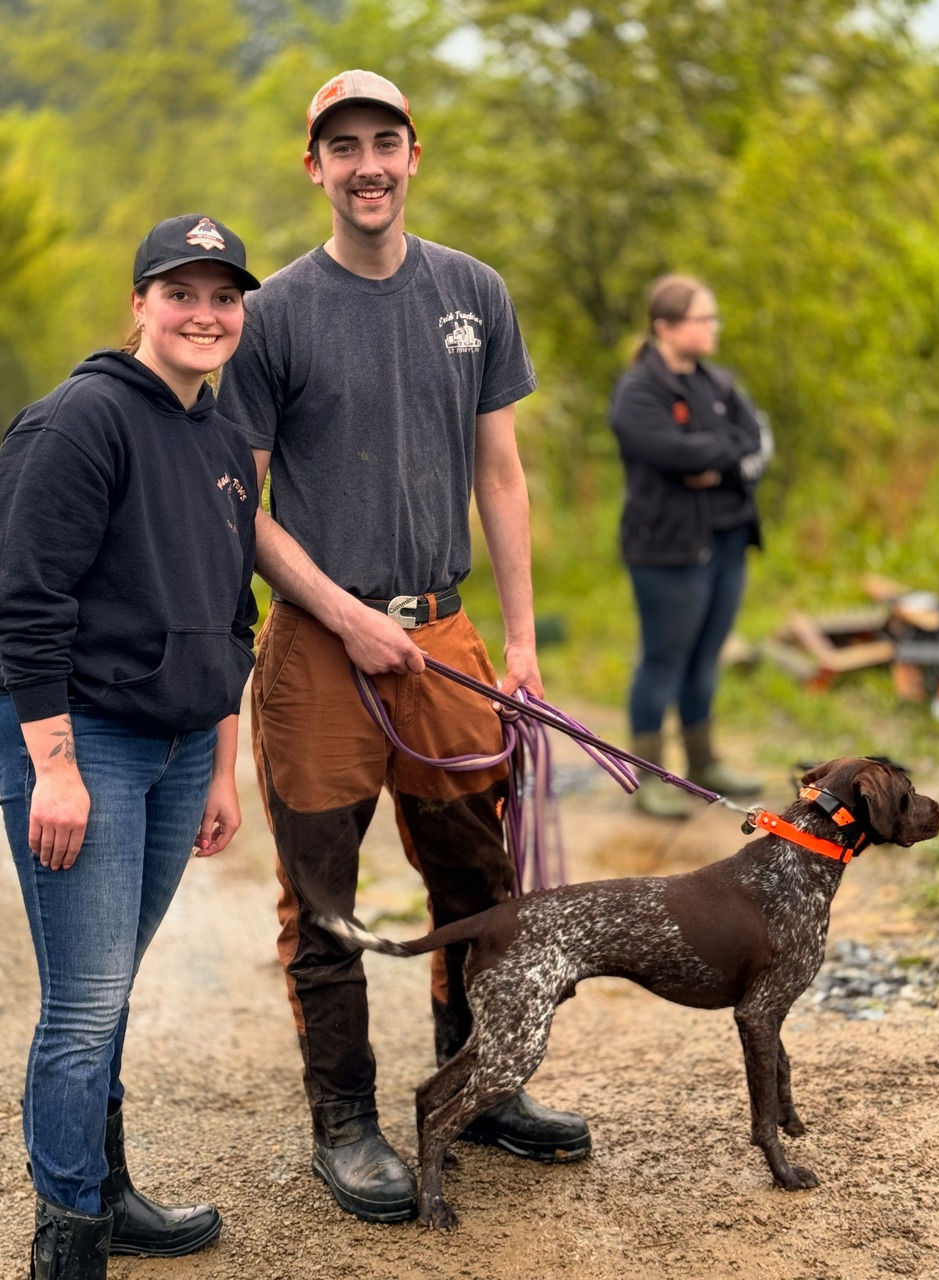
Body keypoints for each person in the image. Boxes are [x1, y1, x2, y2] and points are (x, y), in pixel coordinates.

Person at [216, 68, 590, 1224]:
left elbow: (502, 472)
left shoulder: (474, 290)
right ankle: (346, 1123)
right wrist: (342, 613)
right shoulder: (272, 313)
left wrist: (518, 642)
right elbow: (247, 501)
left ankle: (475, 1088)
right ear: (314, 167)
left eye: (386, 141)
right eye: (344, 147)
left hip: (448, 639)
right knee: (321, 898)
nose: (367, 164)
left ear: (414, 156)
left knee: (478, 877)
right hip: (323, 648)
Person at [0, 214, 261, 1279]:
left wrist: (222, 760)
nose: (205, 313)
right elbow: (25, 603)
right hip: (88, 747)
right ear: (141, 304)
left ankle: (108, 1192)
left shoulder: (215, 431)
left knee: (112, 984)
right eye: (182, 292)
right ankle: (69, 1241)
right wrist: (55, 768)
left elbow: (230, 607)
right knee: (81, 1003)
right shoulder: (79, 420)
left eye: (223, 297)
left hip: (179, 747)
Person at [609, 273, 772, 818]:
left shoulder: (718, 382)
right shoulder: (638, 392)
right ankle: (649, 778)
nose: (714, 327)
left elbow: (754, 441)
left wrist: (709, 459)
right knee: (663, 659)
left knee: (706, 656)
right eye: (704, 318)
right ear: (666, 327)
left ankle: (702, 762)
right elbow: (669, 453)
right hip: (668, 549)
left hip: (727, 539)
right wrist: (711, 456)